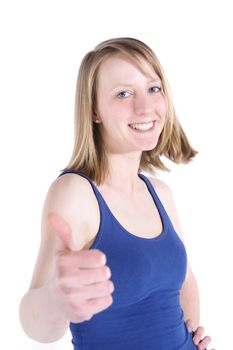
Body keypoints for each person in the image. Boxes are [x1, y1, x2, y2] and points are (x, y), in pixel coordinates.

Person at [19, 37, 215, 350]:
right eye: (123, 93)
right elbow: (34, 323)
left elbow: (186, 281)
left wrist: (191, 334)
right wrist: (56, 300)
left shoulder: (160, 193)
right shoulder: (76, 193)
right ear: (94, 111)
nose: (145, 107)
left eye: (153, 88)